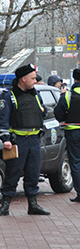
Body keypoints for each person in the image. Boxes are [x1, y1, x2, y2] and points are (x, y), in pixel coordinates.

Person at [0, 64, 50, 216]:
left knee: (33, 173)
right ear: (23, 79)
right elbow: (2, 119)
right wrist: (5, 139)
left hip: (34, 140)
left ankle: (33, 204)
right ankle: (5, 206)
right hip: (17, 141)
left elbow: (42, 111)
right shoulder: (8, 96)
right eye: (32, 78)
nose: (35, 81)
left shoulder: (36, 94)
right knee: (13, 173)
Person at [54, 68, 80, 202]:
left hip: (73, 133)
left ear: (74, 79)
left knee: (75, 163)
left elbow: (58, 114)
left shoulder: (68, 95)